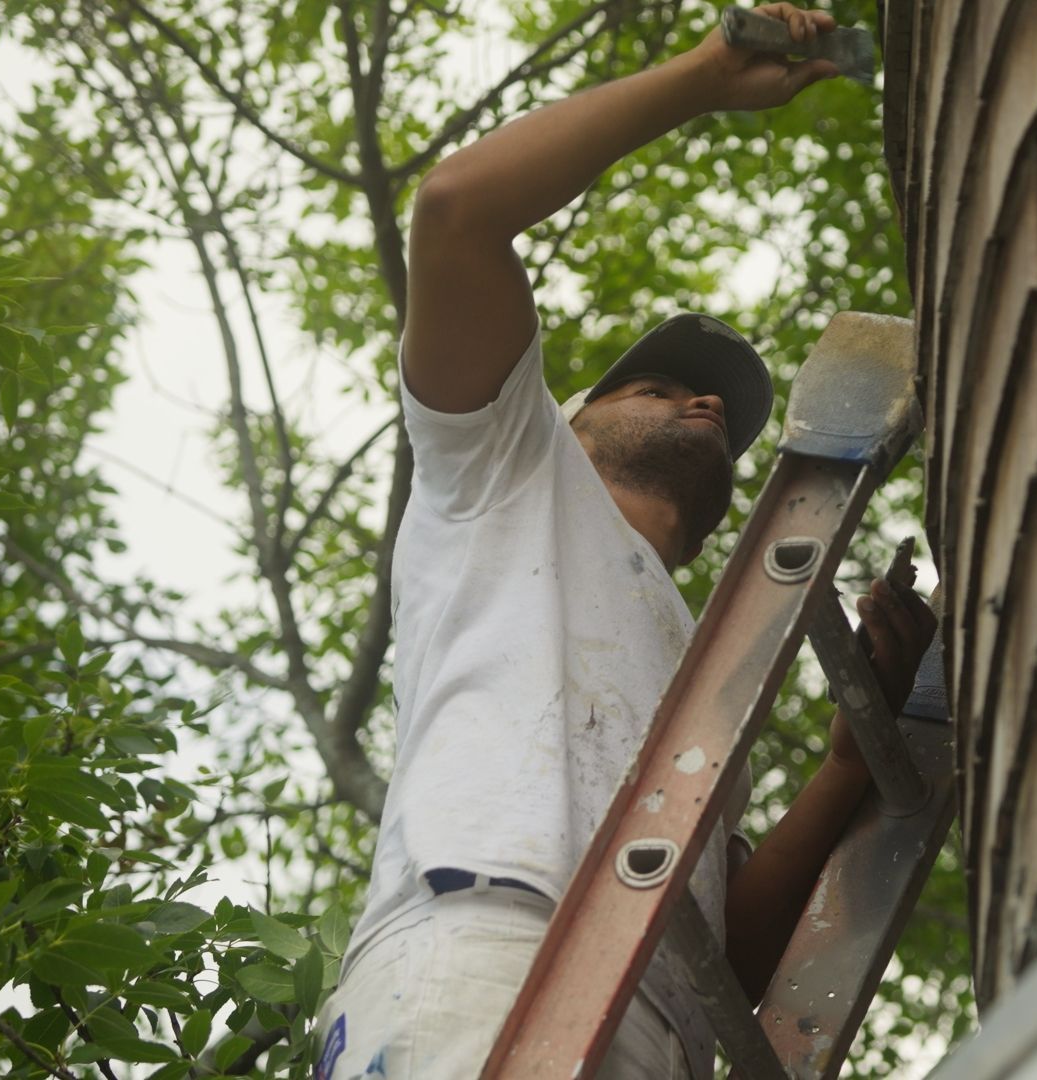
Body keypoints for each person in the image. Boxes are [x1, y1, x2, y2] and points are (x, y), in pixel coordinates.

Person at [313, 7, 938, 1078]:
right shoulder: (502, 470)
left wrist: (844, 769)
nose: (700, 399)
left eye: (715, 405)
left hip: (656, 1023)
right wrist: (705, 77)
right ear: (556, 416)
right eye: (656, 386)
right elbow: (458, 210)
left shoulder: (700, 667)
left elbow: (725, 951)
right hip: (480, 959)